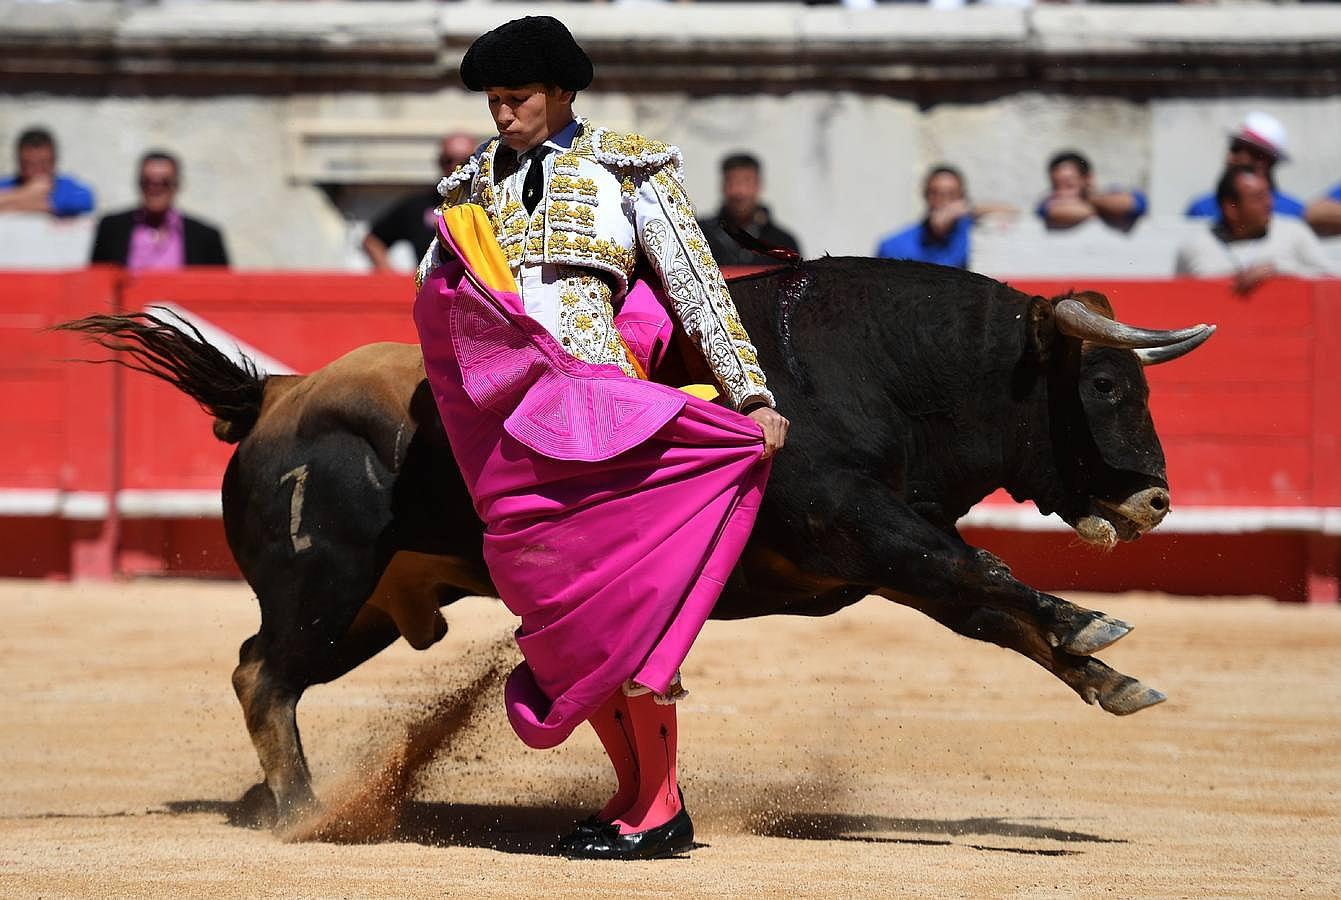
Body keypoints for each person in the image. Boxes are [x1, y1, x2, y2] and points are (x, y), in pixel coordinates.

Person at [413, 15, 788, 861]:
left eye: (516, 100)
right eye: (494, 102)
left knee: (622, 614)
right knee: (563, 622)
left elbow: (694, 285)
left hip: (602, 414)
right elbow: (438, 299)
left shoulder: (626, 166)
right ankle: (635, 794)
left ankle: (657, 807)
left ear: (561, 93)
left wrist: (751, 391)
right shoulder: (468, 187)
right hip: (515, 425)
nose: (501, 116)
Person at [1175, 165, 1335, 292]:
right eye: (1258, 198)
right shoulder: (1194, 246)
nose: (1269, 204)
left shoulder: (1294, 233)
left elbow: (1331, 280)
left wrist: (1280, 269)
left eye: (1268, 195)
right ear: (1231, 208)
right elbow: (1177, 298)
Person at [90, 151, 228, 269]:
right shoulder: (111, 228)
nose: (155, 189)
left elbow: (222, 289)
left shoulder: (206, 236)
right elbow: (97, 283)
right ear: (139, 183)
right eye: (148, 182)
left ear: (177, 185)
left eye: (164, 183)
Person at [362, 133, 478, 271]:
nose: (456, 167)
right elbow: (373, 240)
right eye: (448, 160)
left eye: (464, 161)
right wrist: (390, 278)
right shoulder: (418, 205)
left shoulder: (489, 200)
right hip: (435, 286)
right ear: (439, 162)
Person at [874, 165, 1013, 269]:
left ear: (961, 197)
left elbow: (1011, 211)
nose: (943, 201)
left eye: (951, 194)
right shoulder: (895, 246)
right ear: (925, 195)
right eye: (936, 193)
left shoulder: (972, 233)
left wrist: (969, 209)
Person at [1184, 112, 1305, 220]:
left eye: (1238, 150)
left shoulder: (1293, 214)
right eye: (1233, 148)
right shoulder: (1201, 209)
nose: (1231, 157)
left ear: (1264, 161)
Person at [696, 153, 801, 267]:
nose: (739, 192)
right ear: (722, 186)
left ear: (758, 185)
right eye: (732, 182)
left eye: (746, 182)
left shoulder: (783, 243)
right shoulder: (700, 236)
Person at [1036, 151, 1147, 232]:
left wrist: (1090, 200)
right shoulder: (1047, 202)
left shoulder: (1108, 194)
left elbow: (1132, 204)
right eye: (1056, 186)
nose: (1061, 193)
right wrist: (1106, 211)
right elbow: (1054, 213)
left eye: (1069, 185)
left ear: (1088, 179)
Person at [0, 127, 94, 217]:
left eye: (43, 165)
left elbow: (86, 200)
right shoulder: (6, 184)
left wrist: (10, 202)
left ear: (54, 162)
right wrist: (26, 193)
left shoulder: (67, 187)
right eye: (29, 165)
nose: (36, 172)